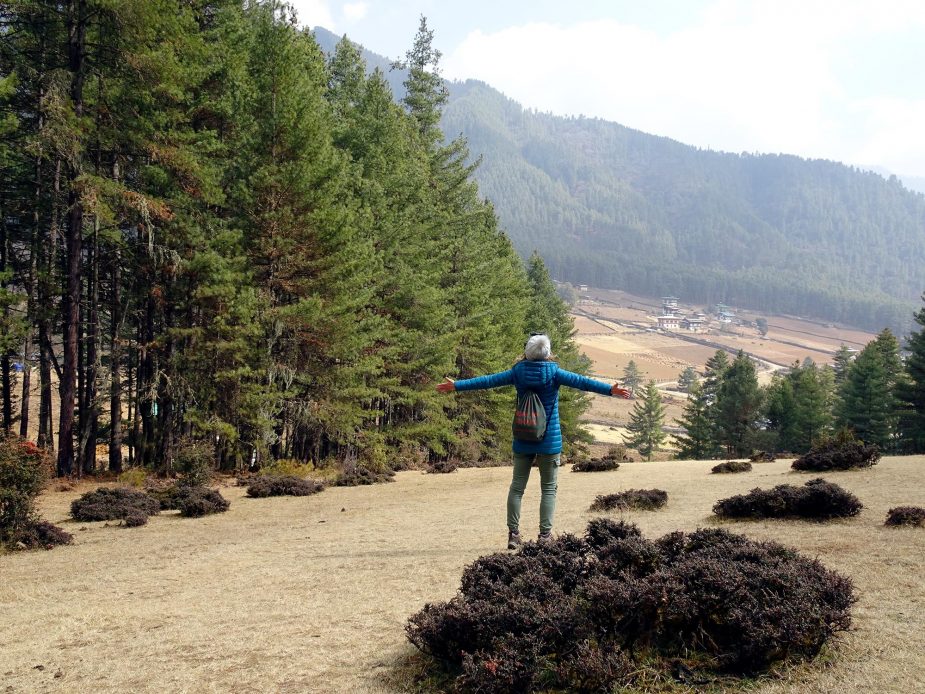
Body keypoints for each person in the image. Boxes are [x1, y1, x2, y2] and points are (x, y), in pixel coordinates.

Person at [436, 333, 631, 548]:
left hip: (523, 436)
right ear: (547, 352)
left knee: (517, 487)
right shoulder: (554, 372)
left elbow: (488, 381)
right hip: (549, 440)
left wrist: (458, 385)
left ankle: (513, 535)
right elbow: (582, 382)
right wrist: (609, 390)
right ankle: (545, 537)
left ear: (527, 352)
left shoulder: (518, 372)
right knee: (548, 488)